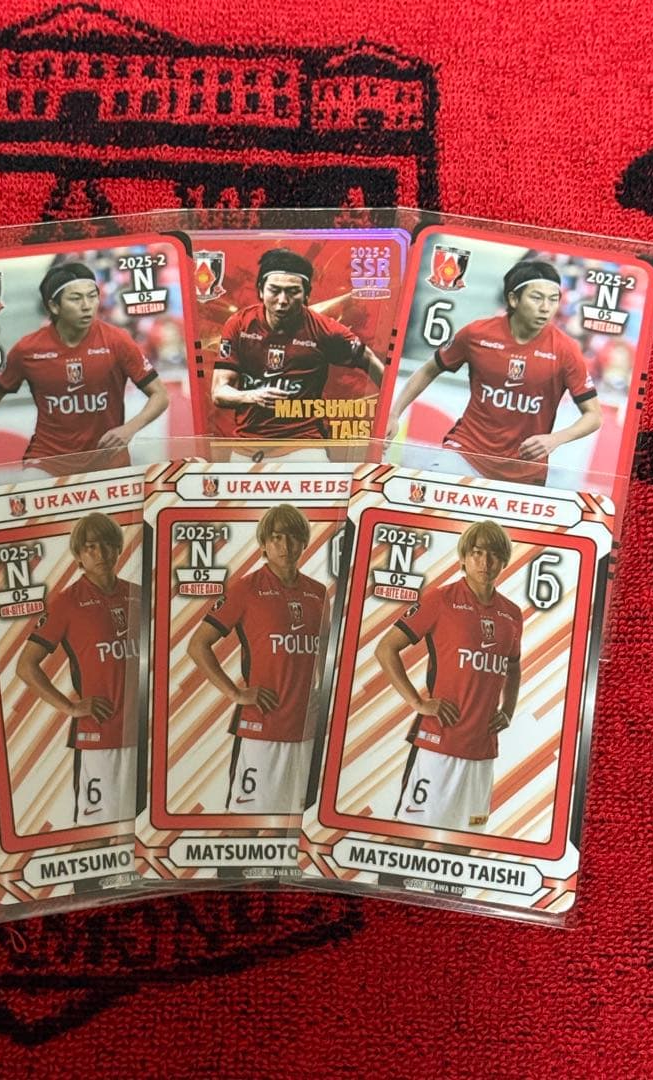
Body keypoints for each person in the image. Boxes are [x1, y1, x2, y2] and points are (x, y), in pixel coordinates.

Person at [386, 260, 602, 484]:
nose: (546, 308)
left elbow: (594, 415)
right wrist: (393, 415)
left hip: (524, 471)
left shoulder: (566, 350)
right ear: (513, 299)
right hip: (466, 453)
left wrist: (555, 439)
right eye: (537, 298)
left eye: (553, 299)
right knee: (430, 497)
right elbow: (428, 370)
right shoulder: (477, 334)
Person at [375, 520, 522, 833]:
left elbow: (512, 666)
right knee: (413, 835)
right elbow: (386, 648)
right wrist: (418, 703)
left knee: (466, 839)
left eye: (494, 554)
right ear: (464, 557)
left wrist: (508, 710)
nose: (485, 562)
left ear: (504, 561)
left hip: (482, 751)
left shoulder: (512, 614)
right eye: (477, 553)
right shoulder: (440, 600)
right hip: (438, 744)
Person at [0, 261, 169, 476]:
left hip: (108, 461)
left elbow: (160, 395)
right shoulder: (27, 350)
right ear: (54, 306)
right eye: (76, 298)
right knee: (28, 489)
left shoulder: (117, 341)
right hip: (48, 462)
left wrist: (129, 429)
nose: (87, 305)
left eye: (92, 296)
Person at [187, 504, 327, 815]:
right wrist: (235, 693)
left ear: (304, 542)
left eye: (293, 537)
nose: (285, 545)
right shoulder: (245, 589)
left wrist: (322, 692)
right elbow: (197, 645)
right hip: (262, 727)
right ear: (264, 543)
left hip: (306, 729)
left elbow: (322, 653)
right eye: (276, 537)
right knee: (249, 822)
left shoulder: (318, 593)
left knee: (297, 822)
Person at [16, 512, 138, 825]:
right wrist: (70, 707)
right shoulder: (66, 603)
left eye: (107, 544)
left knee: (142, 832)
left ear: (118, 547)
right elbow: (26, 665)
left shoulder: (139, 595)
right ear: (79, 555)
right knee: (99, 830)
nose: (100, 553)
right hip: (100, 736)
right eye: (90, 547)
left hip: (144, 734)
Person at [211, 248, 385, 457]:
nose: (282, 300)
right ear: (261, 291)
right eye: (274, 290)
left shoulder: (325, 330)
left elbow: (371, 361)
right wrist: (251, 396)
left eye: (293, 292)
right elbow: (219, 392)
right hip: (247, 445)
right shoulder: (239, 325)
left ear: (307, 294)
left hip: (303, 444)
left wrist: (390, 415)